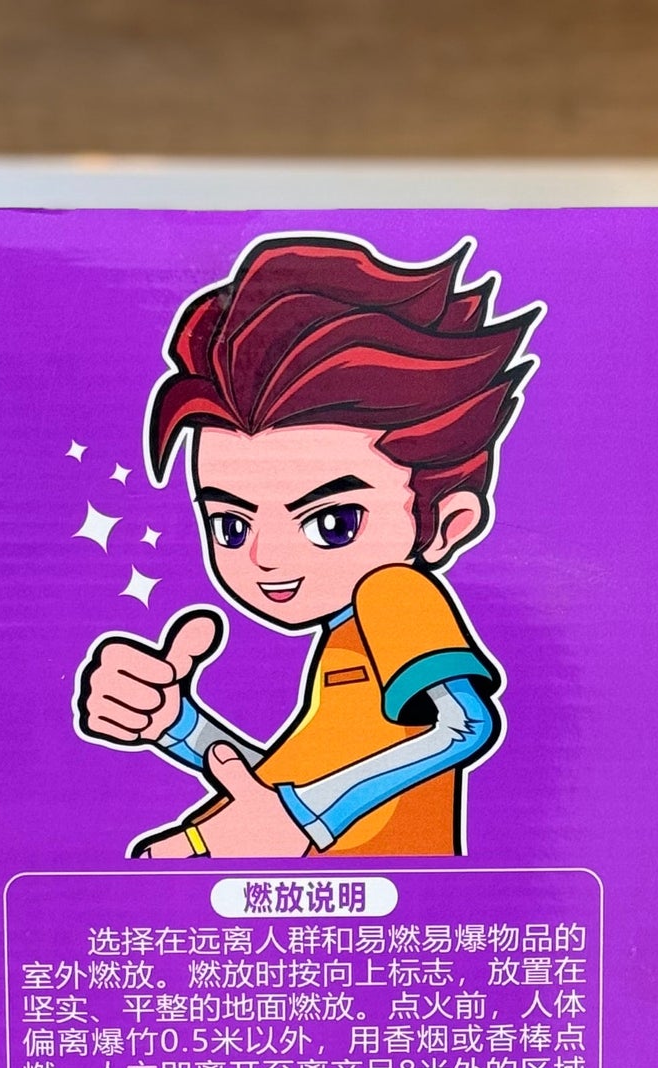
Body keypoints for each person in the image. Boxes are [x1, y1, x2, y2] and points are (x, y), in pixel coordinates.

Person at [75, 234, 539, 859]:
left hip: (391, 895)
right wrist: (179, 727)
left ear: (447, 524)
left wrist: (303, 819)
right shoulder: (346, 643)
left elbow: (464, 727)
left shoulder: (393, 592)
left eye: (332, 523)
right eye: (232, 526)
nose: (265, 558)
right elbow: (283, 783)